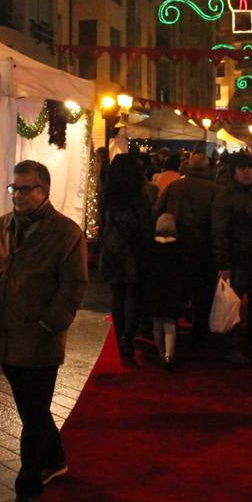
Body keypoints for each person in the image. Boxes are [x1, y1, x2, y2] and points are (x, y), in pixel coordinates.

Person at [0, 160, 88, 502]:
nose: (19, 195)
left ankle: (27, 491)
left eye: (27, 188)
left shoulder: (65, 232)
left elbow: (74, 285)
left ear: (44, 191)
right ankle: (55, 459)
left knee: (32, 413)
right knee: (34, 410)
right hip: (7, 337)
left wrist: (49, 324)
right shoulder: (2, 228)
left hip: (41, 339)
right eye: (15, 188)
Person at [212, 151, 252, 363]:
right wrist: (223, 262)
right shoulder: (226, 197)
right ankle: (231, 347)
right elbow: (220, 231)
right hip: (237, 261)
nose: (248, 172)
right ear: (234, 171)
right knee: (232, 305)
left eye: (250, 168)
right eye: (243, 168)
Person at [156, 151, 220, 342]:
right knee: (203, 292)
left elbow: (158, 212)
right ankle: (199, 331)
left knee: (179, 289)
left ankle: (174, 330)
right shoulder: (215, 190)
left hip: (177, 247)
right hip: (205, 249)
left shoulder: (175, 187)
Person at [98, 155, 153, 363]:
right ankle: (128, 337)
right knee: (132, 294)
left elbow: (102, 222)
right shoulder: (140, 196)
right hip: (133, 249)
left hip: (112, 250)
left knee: (117, 294)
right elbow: (145, 226)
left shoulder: (107, 195)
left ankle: (119, 334)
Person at [144, 213, 186, 369]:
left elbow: (145, 270)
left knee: (156, 325)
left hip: (153, 291)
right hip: (173, 291)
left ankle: (161, 352)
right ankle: (169, 355)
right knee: (170, 325)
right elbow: (184, 273)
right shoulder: (179, 248)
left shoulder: (150, 247)